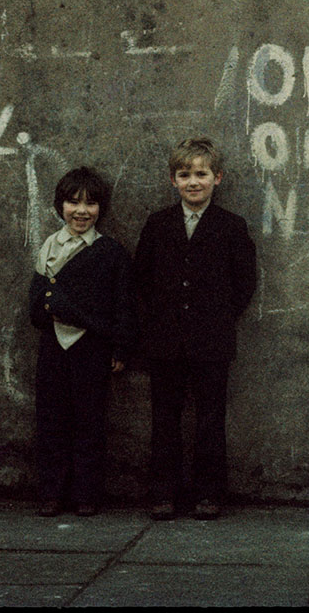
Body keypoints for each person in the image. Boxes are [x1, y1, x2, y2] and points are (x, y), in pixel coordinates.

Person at [134, 137, 257, 520]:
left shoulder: (231, 227)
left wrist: (217, 318)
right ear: (173, 180)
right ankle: (163, 493)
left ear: (217, 178)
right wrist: (161, 319)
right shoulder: (158, 224)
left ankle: (209, 493)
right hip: (165, 341)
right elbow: (142, 279)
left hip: (212, 342)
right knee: (164, 418)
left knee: (210, 419)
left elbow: (244, 283)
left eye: (201, 174)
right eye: (185, 175)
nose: (193, 182)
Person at [28, 166, 136, 517]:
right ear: (60, 206)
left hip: (91, 348)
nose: (81, 211)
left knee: (89, 421)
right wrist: (49, 307)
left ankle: (86, 493)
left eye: (90, 204)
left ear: (101, 209)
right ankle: (51, 492)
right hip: (53, 347)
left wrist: (119, 347)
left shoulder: (110, 253)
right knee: (51, 419)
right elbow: (37, 304)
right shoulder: (49, 246)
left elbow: (123, 305)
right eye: (73, 202)